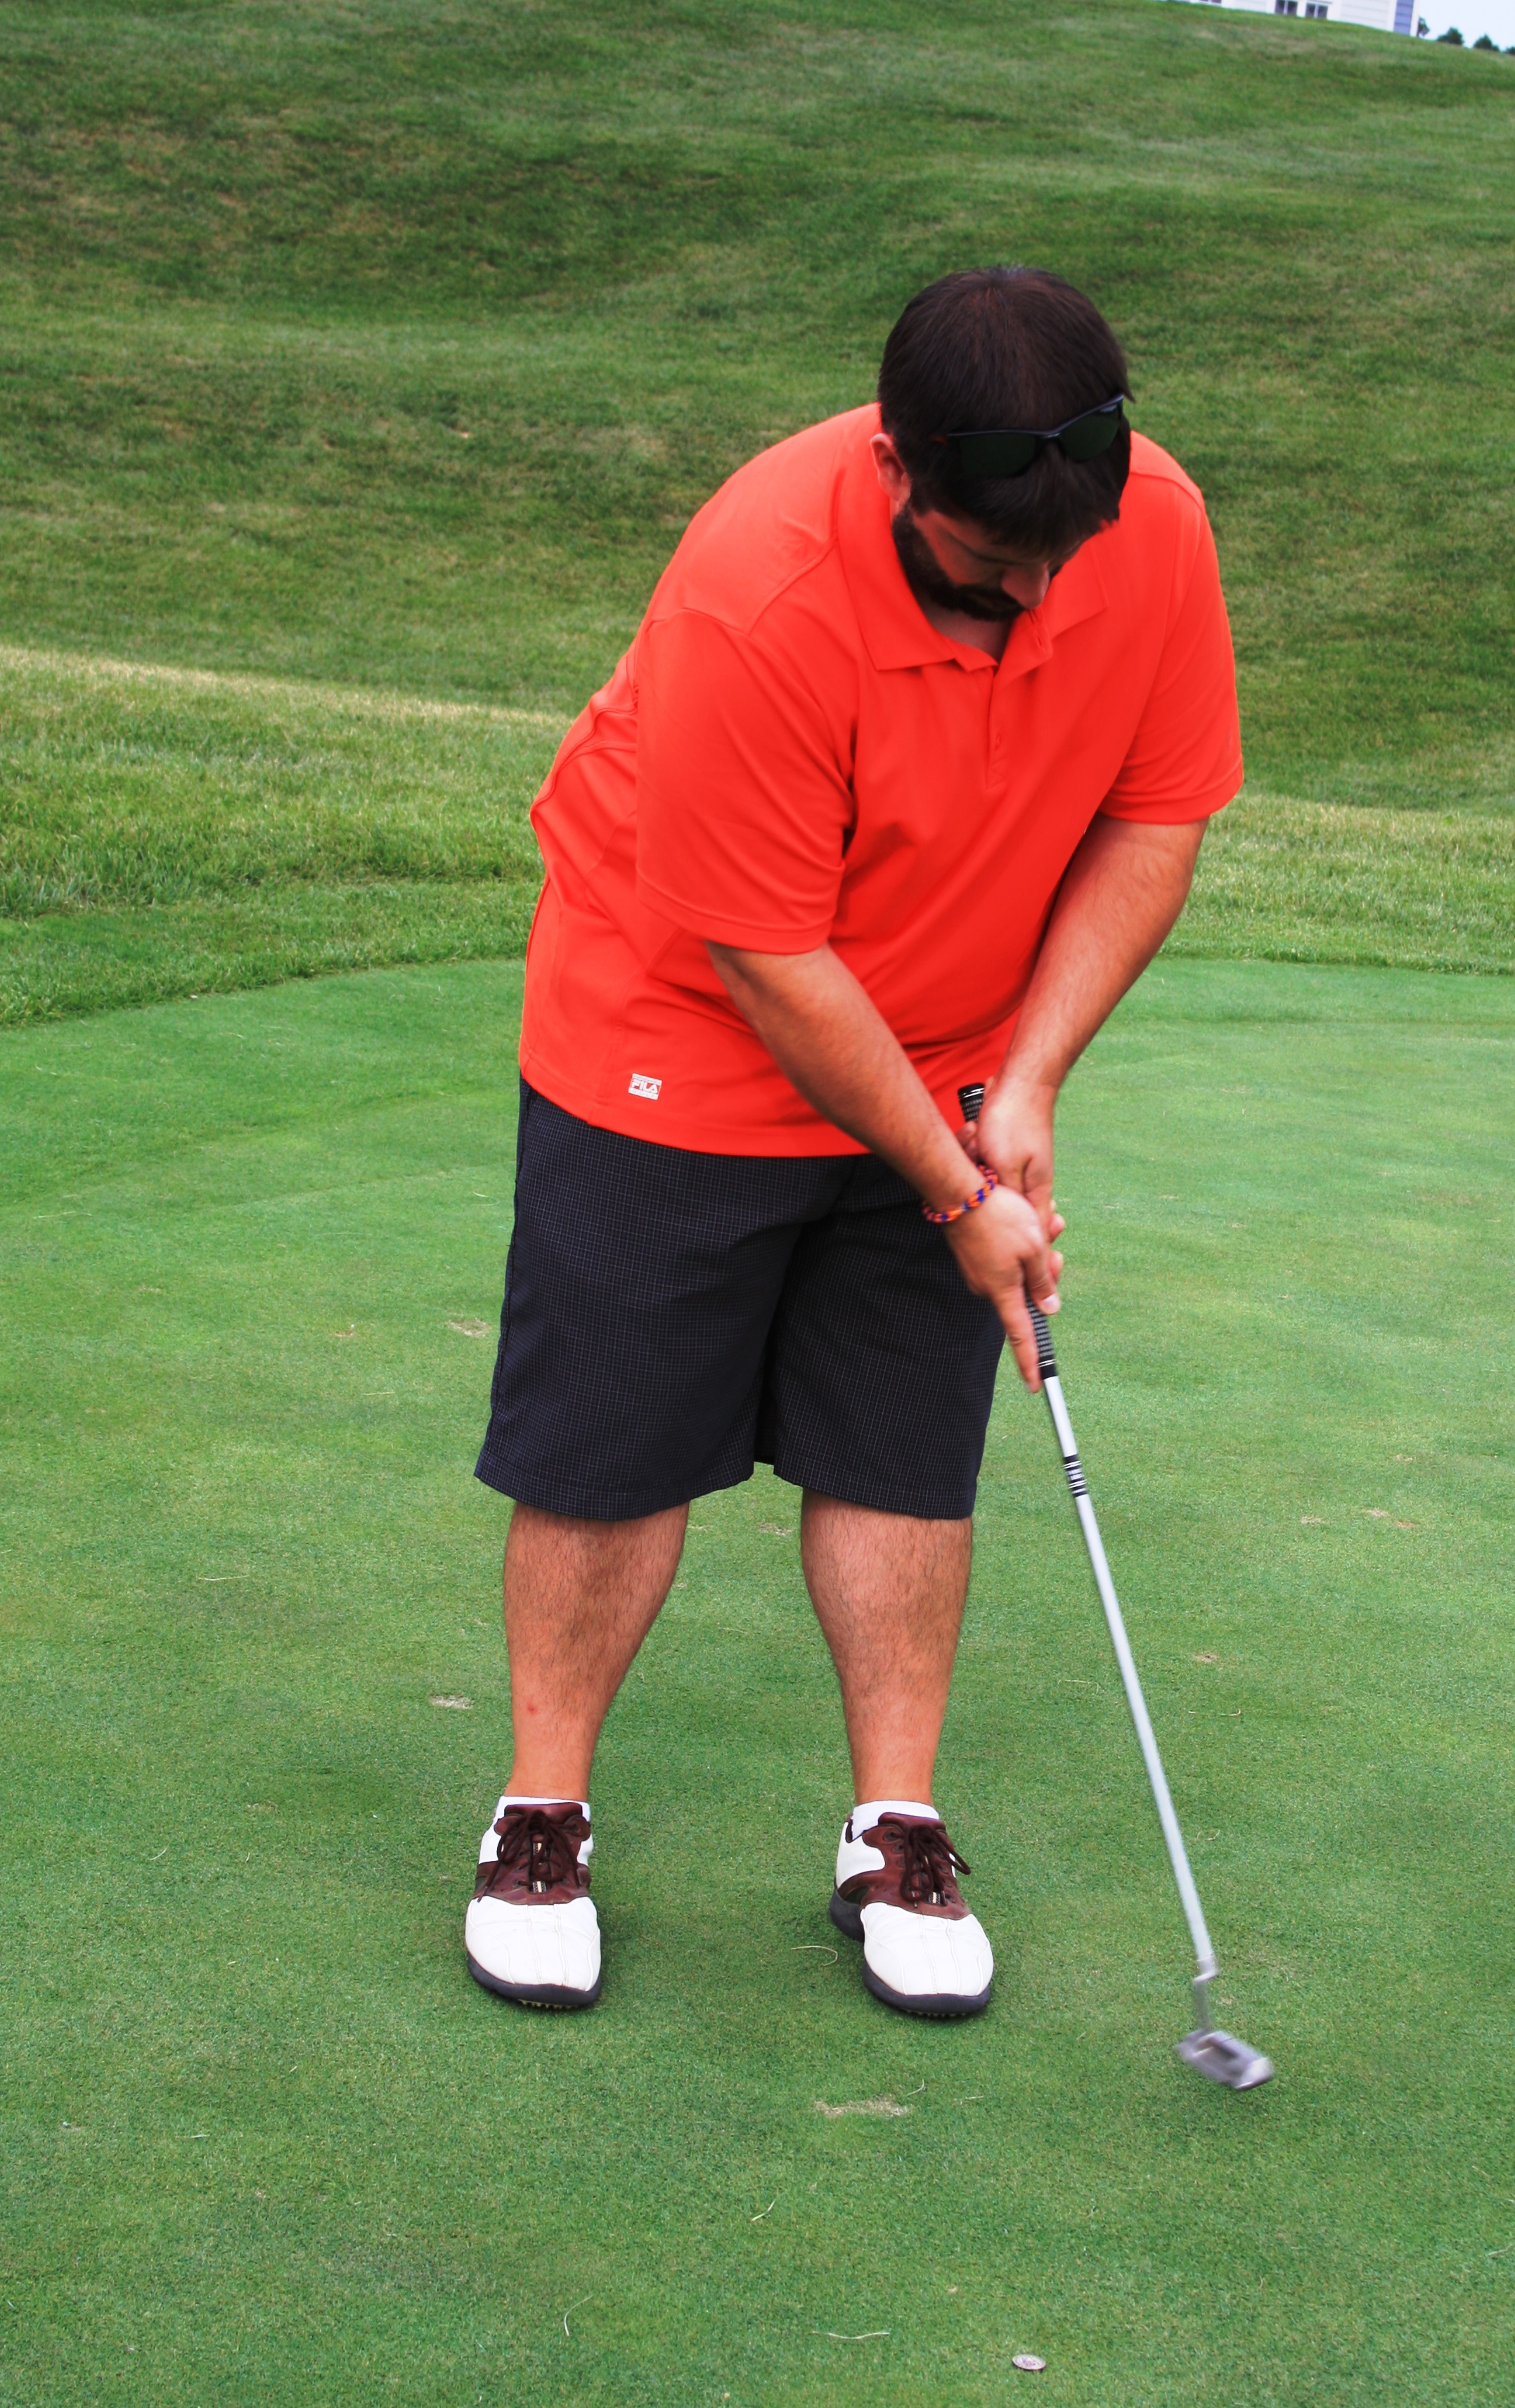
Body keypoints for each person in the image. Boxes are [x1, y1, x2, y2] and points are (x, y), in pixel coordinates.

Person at [465, 265, 1242, 2019]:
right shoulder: (757, 589)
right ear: (897, 465)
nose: (1032, 602)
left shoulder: (1154, 524)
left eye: (1060, 560)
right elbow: (767, 957)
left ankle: (895, 1827)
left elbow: (1157, 814)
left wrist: (1025, 1084)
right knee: (611, 1444)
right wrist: (957, 1188)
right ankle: (540, 1815)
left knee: (903, 1439)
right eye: (985, 569)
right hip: (674, 1030)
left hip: (950, 1038)